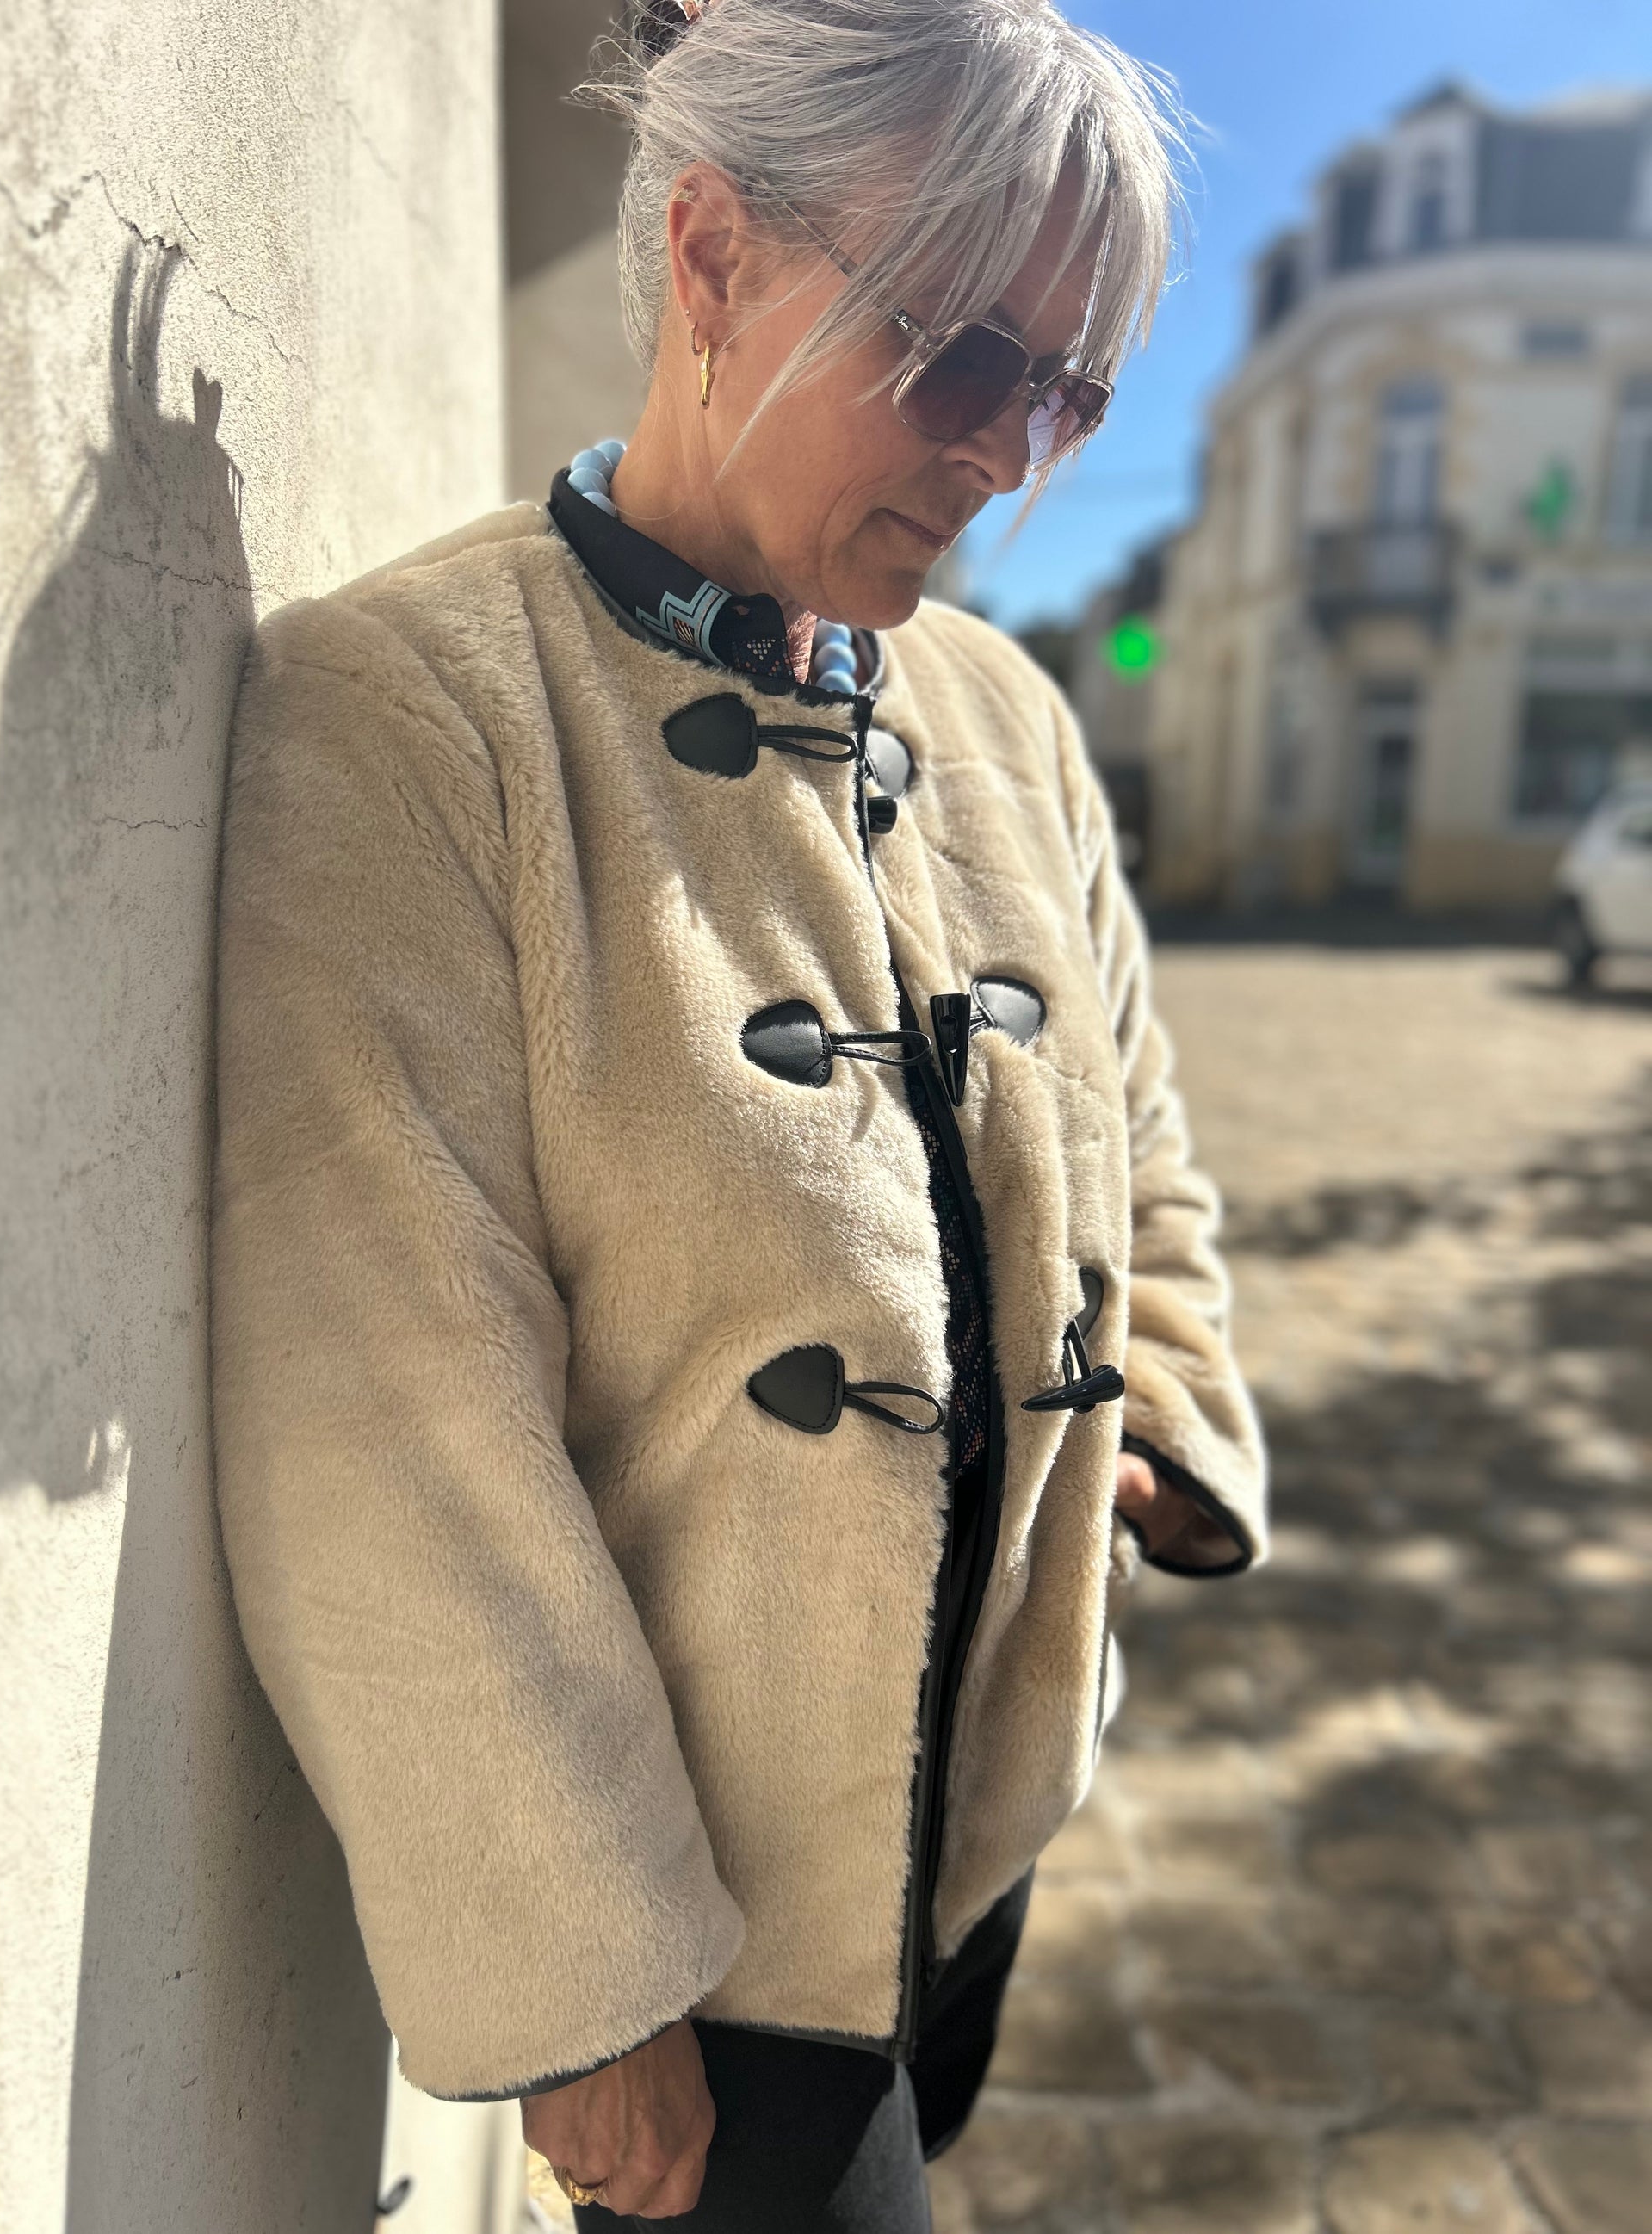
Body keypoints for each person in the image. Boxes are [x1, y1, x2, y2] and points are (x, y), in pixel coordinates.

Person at [209, 2, 1268, 2225]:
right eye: (960, 354)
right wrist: (579, 1976)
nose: (1007, 452)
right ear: (712, 256)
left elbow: (1137, 1117)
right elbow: (379, 1392)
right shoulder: (420, 711)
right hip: (707, 1925)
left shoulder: (1004, 712)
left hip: (973, 1810)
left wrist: (1157, 1407)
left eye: (1070, 394)